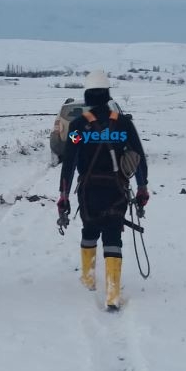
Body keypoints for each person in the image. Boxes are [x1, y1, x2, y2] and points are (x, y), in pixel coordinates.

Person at [57, 70, 149, 310]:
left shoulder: (78, 127)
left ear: (87, 95)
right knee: (113, 236)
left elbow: (70, 160)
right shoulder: (122, 124)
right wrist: (143, 187)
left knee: (89, 230)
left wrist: (64, 194)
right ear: (107, 94)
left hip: (88, 191)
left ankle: (88, 279)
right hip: (116, 189)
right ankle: (112, 294)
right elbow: (138, 155)